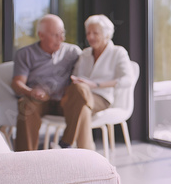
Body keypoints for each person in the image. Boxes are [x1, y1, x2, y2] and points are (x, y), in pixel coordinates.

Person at [54, 14, 134, 150]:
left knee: (80, 96)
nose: (90, 37)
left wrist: (95, 85)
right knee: (82, 106)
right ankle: (87, 159)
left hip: (101, 98)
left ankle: (66, 141)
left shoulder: (118, 52)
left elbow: (128, 80)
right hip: (80, 96)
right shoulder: (85, 54)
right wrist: (79, 82)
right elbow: (75, 76)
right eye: (88, 33)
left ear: (107, 34)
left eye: (95, 33)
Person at [12, 14, 81, 151]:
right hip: (39, 100)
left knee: (80, 93)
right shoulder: (25, 54)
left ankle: (66, 144)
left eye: (62, 34)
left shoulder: (73, 52)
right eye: (55, 35)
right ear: (41, 35)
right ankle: (25, 159)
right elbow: (17, 83)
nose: (60, 39)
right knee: (26, 105)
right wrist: (31, 92)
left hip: (64, 100)